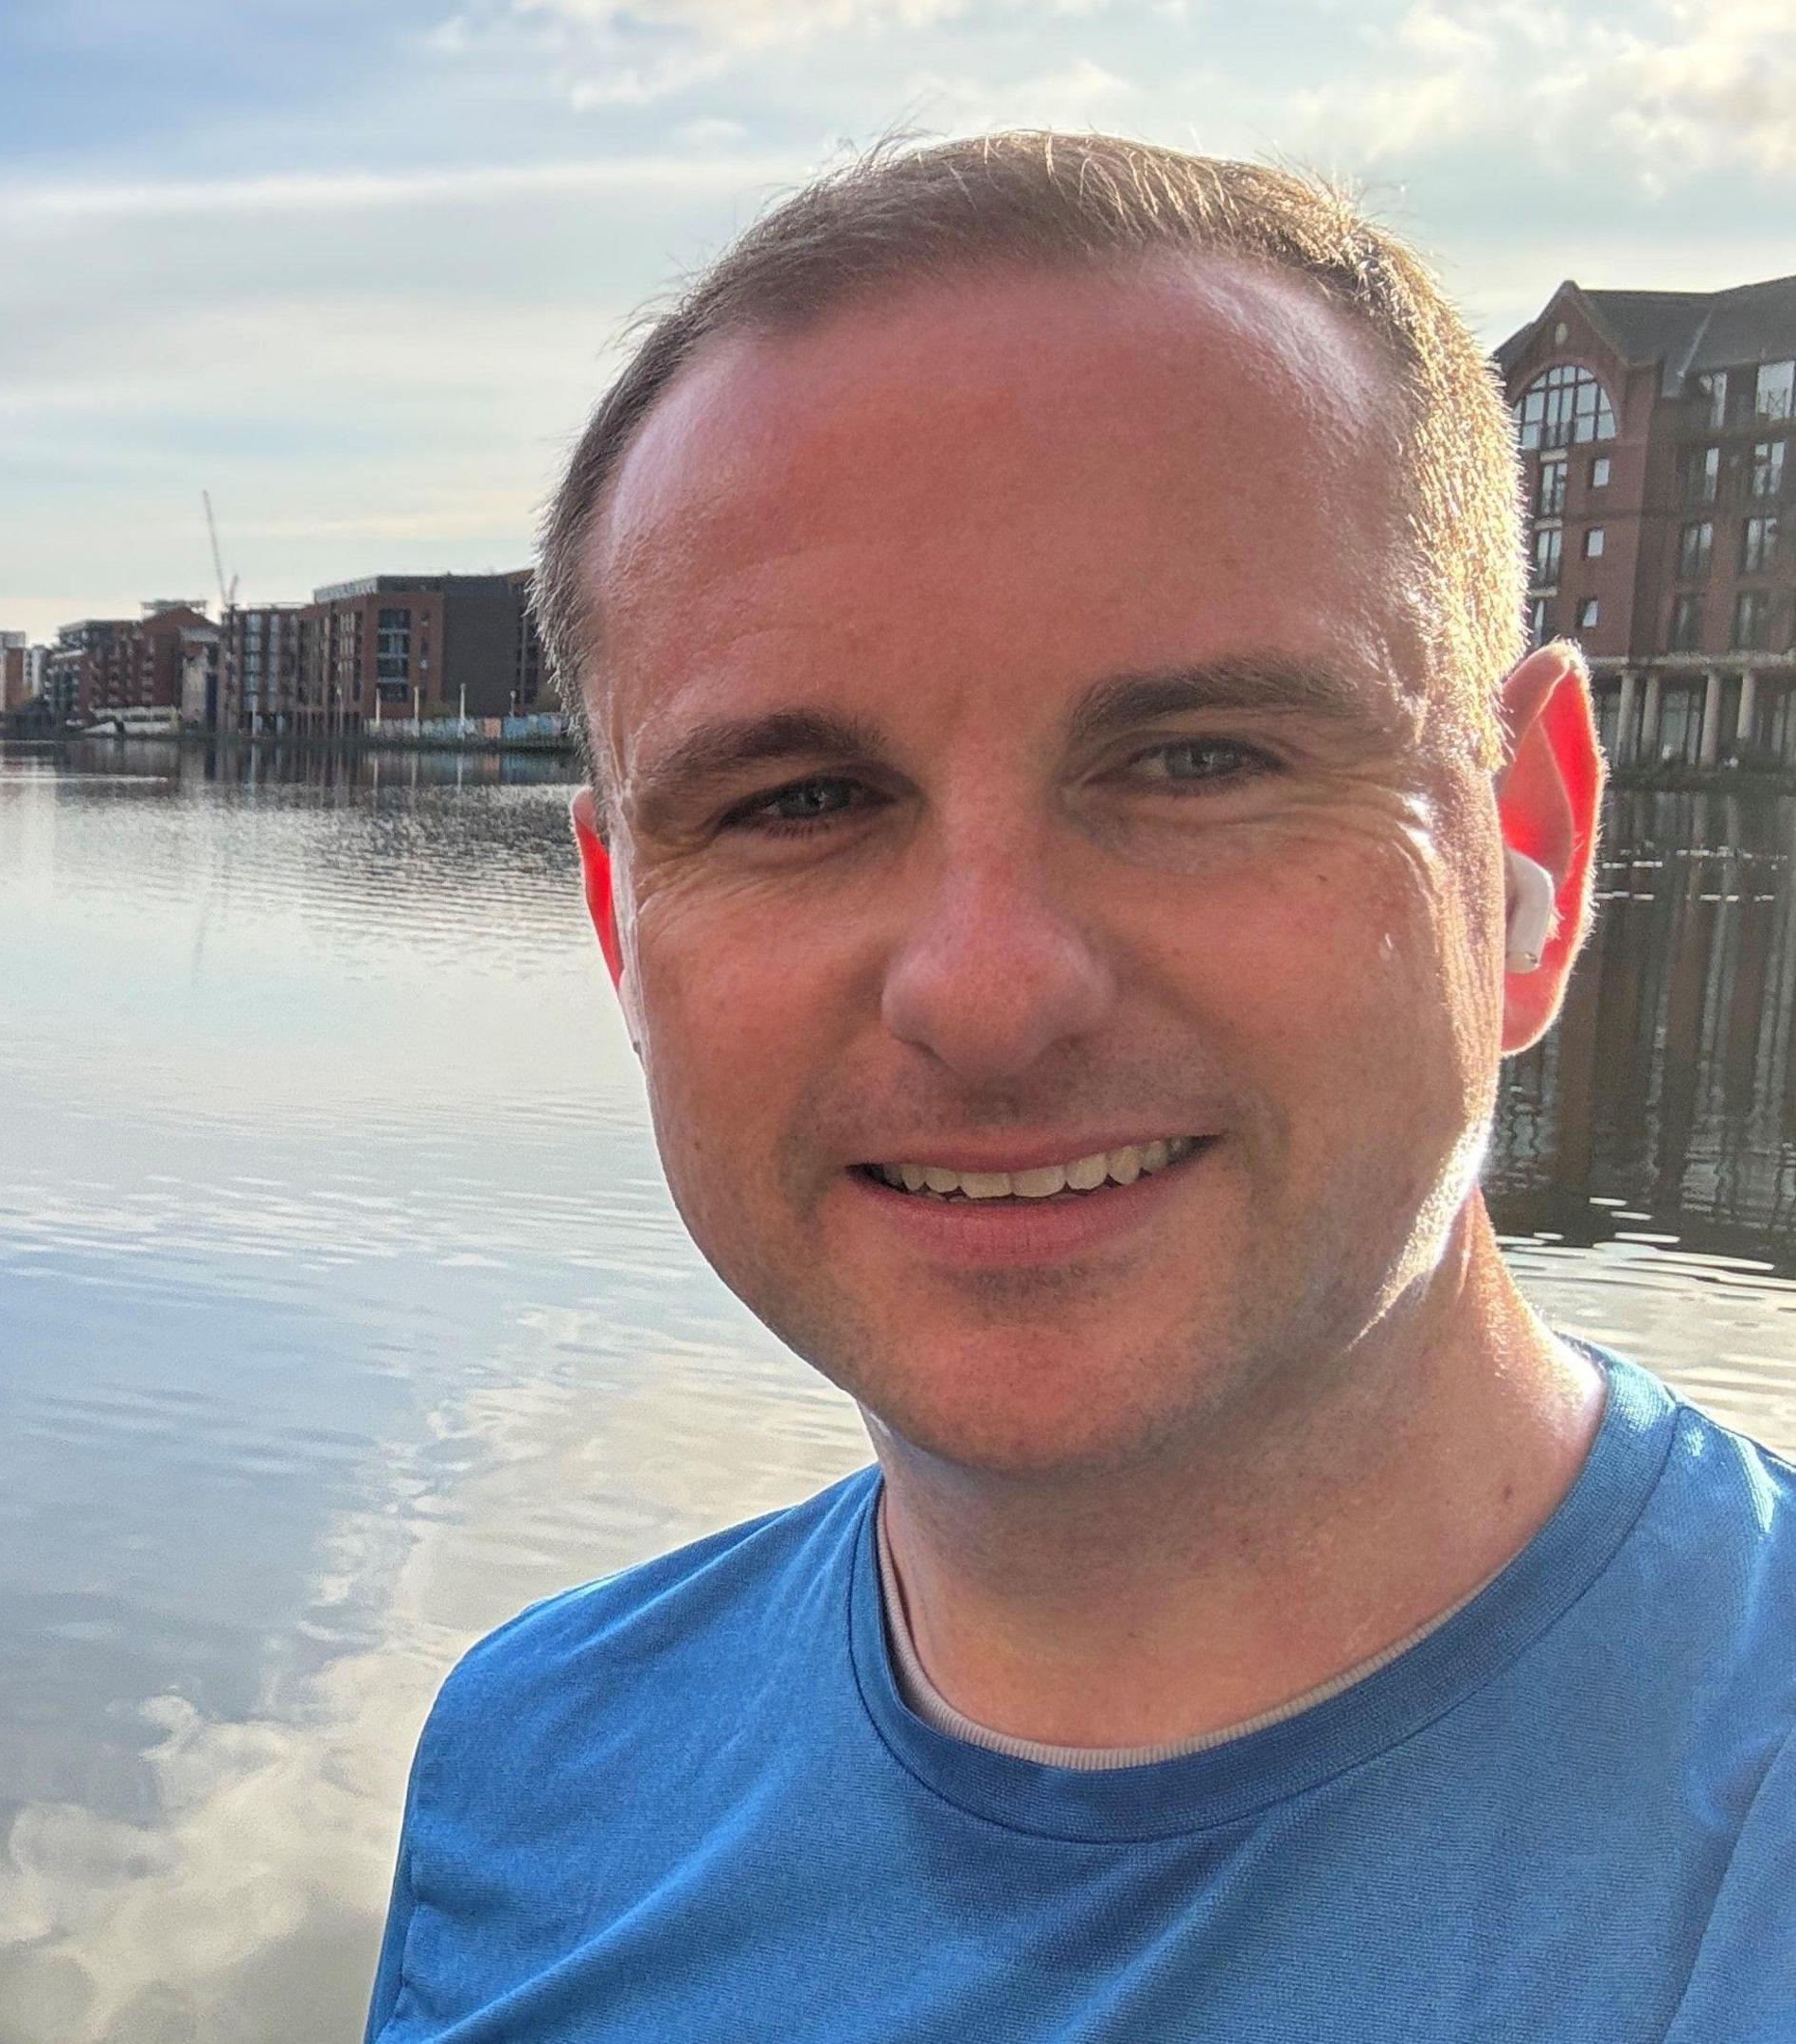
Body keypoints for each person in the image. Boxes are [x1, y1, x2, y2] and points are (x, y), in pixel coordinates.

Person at [365, 133, 1794, 2041]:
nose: (988, 988)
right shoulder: (538, 1767)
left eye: (1199, 760)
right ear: (628, 936)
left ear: (1525, 856)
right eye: (800, 803)